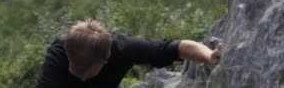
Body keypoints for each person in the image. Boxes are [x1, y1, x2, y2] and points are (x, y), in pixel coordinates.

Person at [36, 19, 222, 88]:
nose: (81, 76)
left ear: (104, 60)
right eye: (74, 67)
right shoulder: (56, 61)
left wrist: (208, 56)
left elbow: (174, 48)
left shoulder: (123, 50)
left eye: (85, 70)